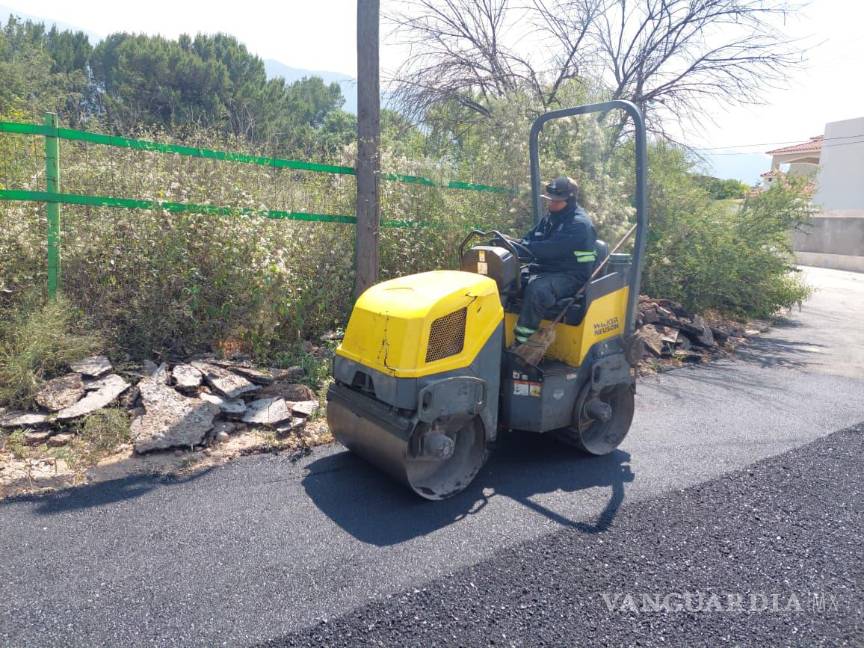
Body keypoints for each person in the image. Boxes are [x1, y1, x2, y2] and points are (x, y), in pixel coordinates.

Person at [513, 176, 598, 345]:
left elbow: (551, 249)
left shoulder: (579, 224)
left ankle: (521, 344)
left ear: (570, 200)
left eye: (556, 201)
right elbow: (529, 239)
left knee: (537, 290)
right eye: (550, 200)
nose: (551, 204)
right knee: (506, 279)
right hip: (546, 269)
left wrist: (525, 245)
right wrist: (512, 244)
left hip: (571, 275)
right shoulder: (550, 218)